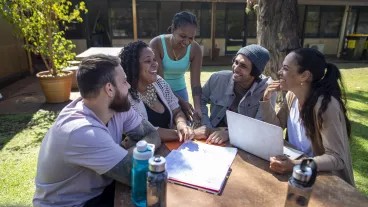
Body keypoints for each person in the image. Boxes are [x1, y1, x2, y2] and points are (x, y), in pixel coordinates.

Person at [33, 54, 161, 207]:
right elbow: (135, 177)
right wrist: (131, 152)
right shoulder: (81, 131)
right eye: (124, 81)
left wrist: (130, 152)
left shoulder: (118, 108)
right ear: (109, 89)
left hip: (98, 193)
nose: (128, 86)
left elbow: (153, 134)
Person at [261, 48, 355, 186]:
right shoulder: (291, 96)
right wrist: (265, 101)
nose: (280, 72)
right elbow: (277, 127)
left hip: (326, 181)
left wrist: (294, 164)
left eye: (285, 68)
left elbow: (336, 158)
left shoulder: (326, 106)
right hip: (297, 174)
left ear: (304, 76)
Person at [119, 40, 196, 142]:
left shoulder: (159, 83)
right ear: (134, 66)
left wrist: (181, 124)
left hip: (172, 149)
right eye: (148, 61)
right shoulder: (126, 97)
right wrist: (181, 134)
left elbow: (177, 110)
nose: (155, 64)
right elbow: (147, 131)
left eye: (154, 60)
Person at [199, 44, 276, 144]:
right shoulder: (217, 78)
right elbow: (200, 100)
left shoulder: (267, 90)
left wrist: (229, 134)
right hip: (212, 133)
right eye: (236, 62)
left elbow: (260, 126)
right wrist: (207, 126)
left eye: (243, 66)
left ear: (255, 72)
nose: (236, 68)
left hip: (245, 139)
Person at [149, 11, 203, 125]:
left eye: (191, 38)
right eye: (182, 36)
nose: (187, 42)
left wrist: (198, 107)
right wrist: (181, 103)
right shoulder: (157, 44)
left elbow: (196, 84)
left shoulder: (195, 49)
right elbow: (159, 82)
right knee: (166, 126)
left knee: (185, 128)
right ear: (173, 28)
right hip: (159, 92)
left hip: (181, 92)